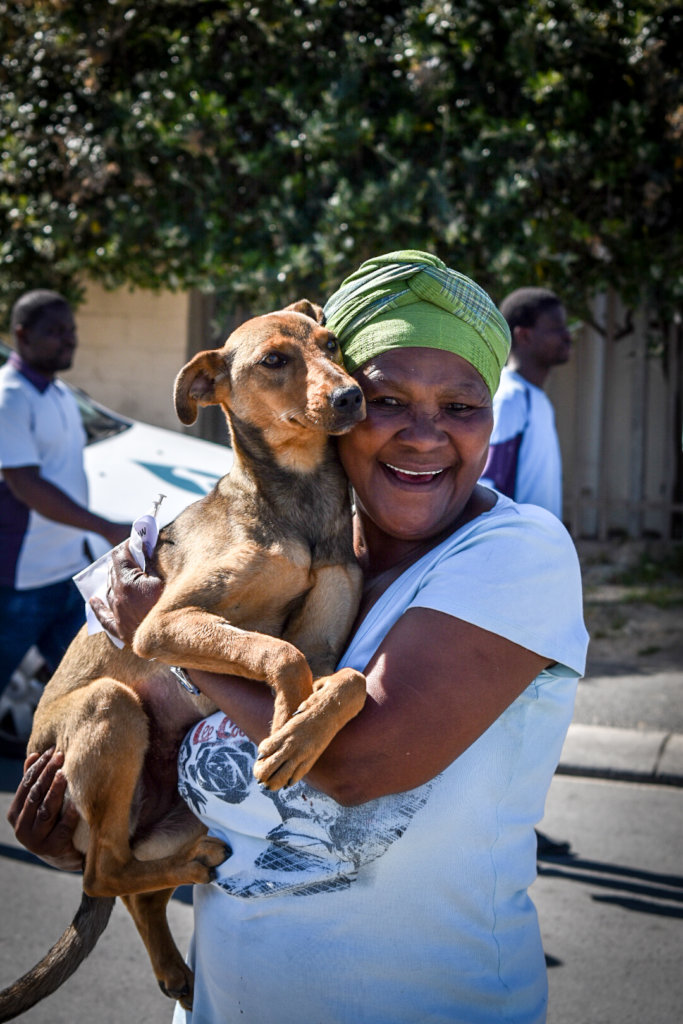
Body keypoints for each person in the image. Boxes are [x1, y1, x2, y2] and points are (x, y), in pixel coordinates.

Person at [8, 253, 589, 1024]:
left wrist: (174, 644)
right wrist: (82, 838)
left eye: (461, 407)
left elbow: (348, 764)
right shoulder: (308, 558)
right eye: (385, 399)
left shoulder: (516, 555)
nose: (423, 435)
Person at [0, 290, 130, 748]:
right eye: (55, 332)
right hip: (18, 579)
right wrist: (103, 526)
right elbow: (26, 484)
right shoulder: (9, 397)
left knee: (76, 676)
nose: (68, 341)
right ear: (22, 335)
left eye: (71, 331)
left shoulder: (57, 393)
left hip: (64, 574)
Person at [480, 287, 573, 520]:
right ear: (524, 336)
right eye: (556, 328)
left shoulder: (534, 398)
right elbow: (488, 486)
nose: (568, 336)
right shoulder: (511, 397)